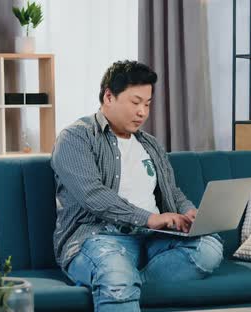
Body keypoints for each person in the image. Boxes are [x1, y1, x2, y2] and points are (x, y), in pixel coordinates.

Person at [51, 60, 224, 312]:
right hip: (98, 238)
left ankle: (126, 283)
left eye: (147, 104)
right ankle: (118, 280)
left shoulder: (150, 144)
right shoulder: (76, 137)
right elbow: (93, 195)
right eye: (135, 102)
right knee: (115, 273)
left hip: (152, 241)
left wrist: (188, 212)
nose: (142, 112)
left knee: (208, 248)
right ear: (109, 96)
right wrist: (150, 218)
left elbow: (171, 192)